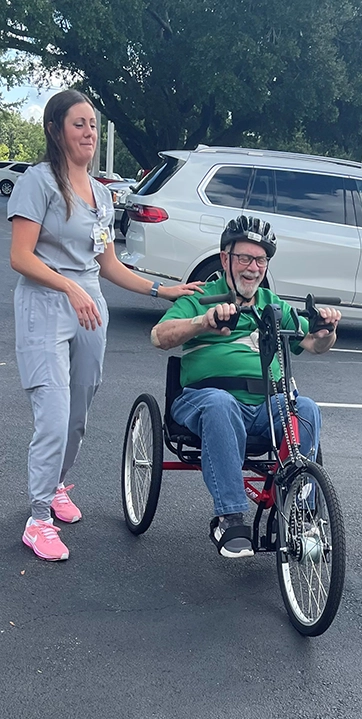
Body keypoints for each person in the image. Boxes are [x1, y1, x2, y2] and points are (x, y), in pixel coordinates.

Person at [8, 88, 201, 562]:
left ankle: (55, 486)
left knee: (78, 414)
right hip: (45, 305)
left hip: (90, 309)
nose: (89, 132)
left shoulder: (100, 193)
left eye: (92, 124)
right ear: (55, 130)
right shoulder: (38, 182)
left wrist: (162, 290)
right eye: (78, 124)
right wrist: (69, 287)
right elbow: (19, 256)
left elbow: (108, 265)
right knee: (52, 413)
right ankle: (37, 519)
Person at [151, 215, 341, 558]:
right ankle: (230, 517)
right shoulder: (201, 296)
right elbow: (159, 336)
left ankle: (300, 511)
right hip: (204, 399)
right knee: (221, 405)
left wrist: (327, 331)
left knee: (307, 408)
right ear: (226, 259)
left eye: (260, 260)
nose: (253, 268)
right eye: (244, 258)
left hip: (266, 406)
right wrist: (202, 321)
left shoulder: (273, 303)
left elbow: (313, 344)